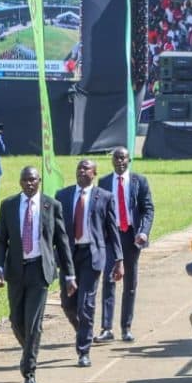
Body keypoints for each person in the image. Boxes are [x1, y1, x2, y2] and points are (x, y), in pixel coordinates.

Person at [0, 166, 75, 383]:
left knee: (33, 324)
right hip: (16, 272)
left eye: (33, 179)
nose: (30, 183)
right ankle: (29, 350)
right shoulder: (9, 205)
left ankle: (29, 371)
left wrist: (70, 275)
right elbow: (0, 240)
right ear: (20, 182)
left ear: (39, 181)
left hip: (40, 270)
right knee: (16, 320)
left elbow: (62, 241)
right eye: (25, 180)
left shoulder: (51, 205)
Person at [57, 160, 123, 368]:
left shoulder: (104, 197)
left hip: (92, 255)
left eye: (86, 168)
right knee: (68, 303)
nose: (82, 171)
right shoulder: (63, 196)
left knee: (86, 303)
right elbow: (55, 229)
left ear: (94, 173)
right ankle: (82, 330)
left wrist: (119, 260)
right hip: (68, 256)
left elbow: (112, 230)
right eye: (79, 168)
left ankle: (83, 351)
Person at [96, 147, 154, 344]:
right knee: (109, 279)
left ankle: (126, 327)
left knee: (130, 282)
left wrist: (143, 232)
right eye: (116, 158)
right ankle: (106, 328)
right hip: (111, 237)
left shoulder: (139, 181)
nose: (120, 161)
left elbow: (148, 209)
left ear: (129, 160)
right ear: (112, 161)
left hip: (131, 235)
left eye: (123, 158)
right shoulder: (104, 182)